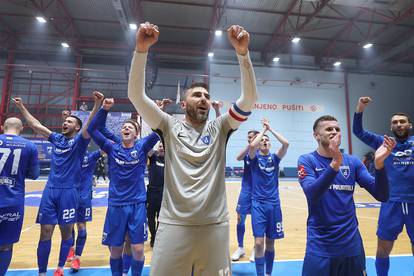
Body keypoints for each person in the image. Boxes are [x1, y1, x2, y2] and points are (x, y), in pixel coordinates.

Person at [128, 22, 257, 275]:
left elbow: (249, 99)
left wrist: (244, 55)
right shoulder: (167, 125)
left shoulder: (220, 128)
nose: (204, 99)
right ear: (184, 102)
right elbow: (136, 95)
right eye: (197, 95)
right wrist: (141, 50)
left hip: (215, 227)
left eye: (207, 96)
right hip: (174, 226)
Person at [13, 91, 102, 276]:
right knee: (45, 231)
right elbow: (35, 124)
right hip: (50, 190)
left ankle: (60, 268)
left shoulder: (80, 142)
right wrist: (21, 106)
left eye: (70, 121)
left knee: (66, 233)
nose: (66, 122)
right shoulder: (56, 138)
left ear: (77, 127)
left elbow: (89, 125)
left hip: (70, 192)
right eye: (65, 120)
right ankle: (42, 272)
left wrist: (97, 105)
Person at [297, 115, 395, 276]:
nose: (334, 132)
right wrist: (335, 164)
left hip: (351, 246)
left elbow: (382, 195)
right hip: (320, 245)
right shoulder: (307, 160)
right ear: (316, 135)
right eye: (329, 129)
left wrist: (379, 165)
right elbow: (312, 194)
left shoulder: (352, 162)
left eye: (337, 129)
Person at [87, 98, 159, 276]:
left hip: (137, 205)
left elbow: (159, 129)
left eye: (130, 127)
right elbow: (92, 129)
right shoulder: (112, 147)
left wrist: (156, 108)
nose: (126, 128)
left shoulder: (142, 147)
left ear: (136, 134)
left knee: (138, 250)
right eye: (124, 127)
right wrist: (104, 109)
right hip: (116, 205)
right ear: (120, 133)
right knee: (116, 250)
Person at [353, 97, 414, 276]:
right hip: (391, 203)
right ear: (391, 127)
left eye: (402, 122)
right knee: (383, 249)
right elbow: (358, 131)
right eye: (395, 122)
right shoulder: (383, 142)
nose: (399, 125)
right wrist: (360, 109)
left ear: (409, 125)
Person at [248, 119, 289, 276]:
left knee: (270, 242)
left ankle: (268, 273)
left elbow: (286, 144)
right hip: (258, 204)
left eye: (267, 141)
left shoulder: (275, 159)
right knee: (259, 242)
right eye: (262, 141)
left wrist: (270, 130)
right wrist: (263, 132)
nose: (264, 142)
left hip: (274, 205)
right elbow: (252, 146)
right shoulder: (254, 159)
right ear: (259, 144)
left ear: (270, 145)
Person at [0, 117, 40, 275]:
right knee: (6, 245)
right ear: (22, 128)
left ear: (3, 127)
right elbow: (35, 174)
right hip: (12, 201)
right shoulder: (30, 146)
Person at [66, 150, 102, 272]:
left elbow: (105, 148)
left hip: (84, 198)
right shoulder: (69, 154)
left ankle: (77, 257)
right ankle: (71, 248)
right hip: (69, 195)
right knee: (69, 226)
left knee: (81, 228)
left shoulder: (91, 156)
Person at [231, 129, 259, 262]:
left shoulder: (263, 153)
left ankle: (255, 249)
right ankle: (240, 247)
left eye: (251, 137)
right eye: (248, 137)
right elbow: (238, 157)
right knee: (240, 219)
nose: (249, 139)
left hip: (259, 193)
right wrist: (250, 145)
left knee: (256, 221)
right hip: (246, 191)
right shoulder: (247, 153)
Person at [146, 142, 165, 248]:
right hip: (151, 193)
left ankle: (157, 237)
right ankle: (153, 235)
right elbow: (147, 148)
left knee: (160, 218)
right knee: (150, 217)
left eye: (163, 146)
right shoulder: (153, 157)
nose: (161, 148)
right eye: (160, 146)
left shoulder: (169, 160)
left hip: (163, 193)